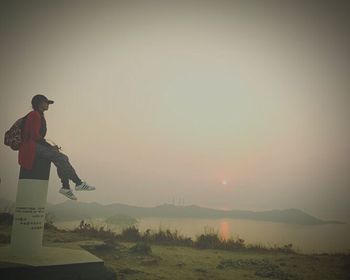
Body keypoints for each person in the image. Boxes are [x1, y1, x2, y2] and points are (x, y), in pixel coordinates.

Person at [18, 94, 95, 200]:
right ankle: (77, 183)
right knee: (61, 158)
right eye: (46, 102)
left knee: (62, 158)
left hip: (35, 146)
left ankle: (66, 187)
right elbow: (34, 136)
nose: (48, 105)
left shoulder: (38, 115)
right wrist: (49, 147)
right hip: (31, 148)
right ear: (39, 103)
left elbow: (36, 136)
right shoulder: (35, 115)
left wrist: (50, 147)